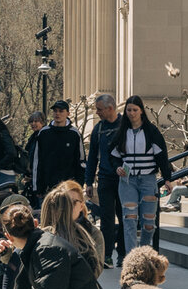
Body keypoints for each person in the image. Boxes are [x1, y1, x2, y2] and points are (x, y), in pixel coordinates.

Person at [109, 96, 172, 253]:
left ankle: (143, 250)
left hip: (148, 179)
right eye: (129, 110)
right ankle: (132, 256)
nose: (131, 113)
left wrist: (167, 178)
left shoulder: (151, 132)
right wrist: (117, 167)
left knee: (149, 222)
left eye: (135, 110)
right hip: (127, 181)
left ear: (141, 111)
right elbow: (113, 155)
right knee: (129, 219)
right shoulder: (122, 132)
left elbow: (162, 156)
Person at [81, 95, 124, 264]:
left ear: (110, 108)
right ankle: (106, 255)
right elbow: (92, 158)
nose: (97, 112)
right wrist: (89, 181)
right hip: (105, 178)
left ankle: (122, 254)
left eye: (99, 109)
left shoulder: (124, 126)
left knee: (124, 216)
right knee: (106, 218)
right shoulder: (98, 129)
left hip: (124, 179)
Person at [27, 102, 85, 202]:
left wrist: (78, 185)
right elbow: (37, 161)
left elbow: (81, 161)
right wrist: (37, 187)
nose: (57, 114)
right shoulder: (44, 133)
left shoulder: (74, 134)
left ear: (68, 113)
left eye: (61, 111)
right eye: (55, 111)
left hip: (69, 187)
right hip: (47, 188)